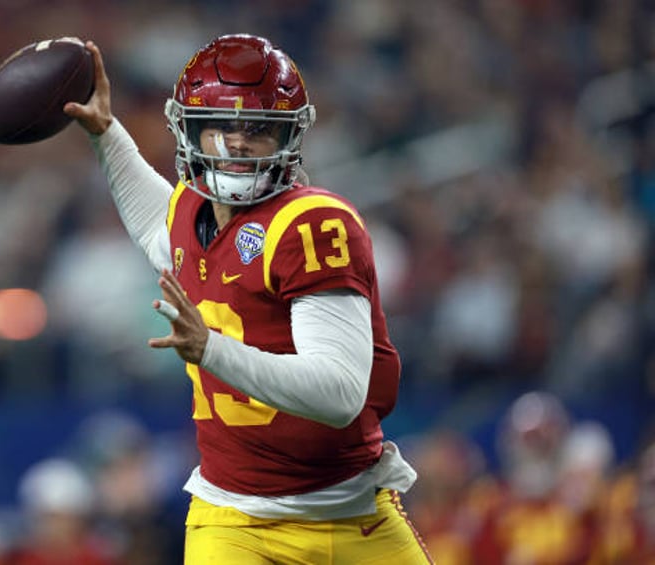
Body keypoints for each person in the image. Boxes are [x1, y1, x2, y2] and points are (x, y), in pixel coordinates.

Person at [64, 33, 431, 564]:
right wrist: (106, 132)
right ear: (190, 129)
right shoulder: (191, 210)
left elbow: (339, 393)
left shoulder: (311, 224)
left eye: (258, 129)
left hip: (350, 515)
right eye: (220, 128)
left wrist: (210, 350)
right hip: (234, 517)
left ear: (288, 136)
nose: (236, 143)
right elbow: (155, 223)